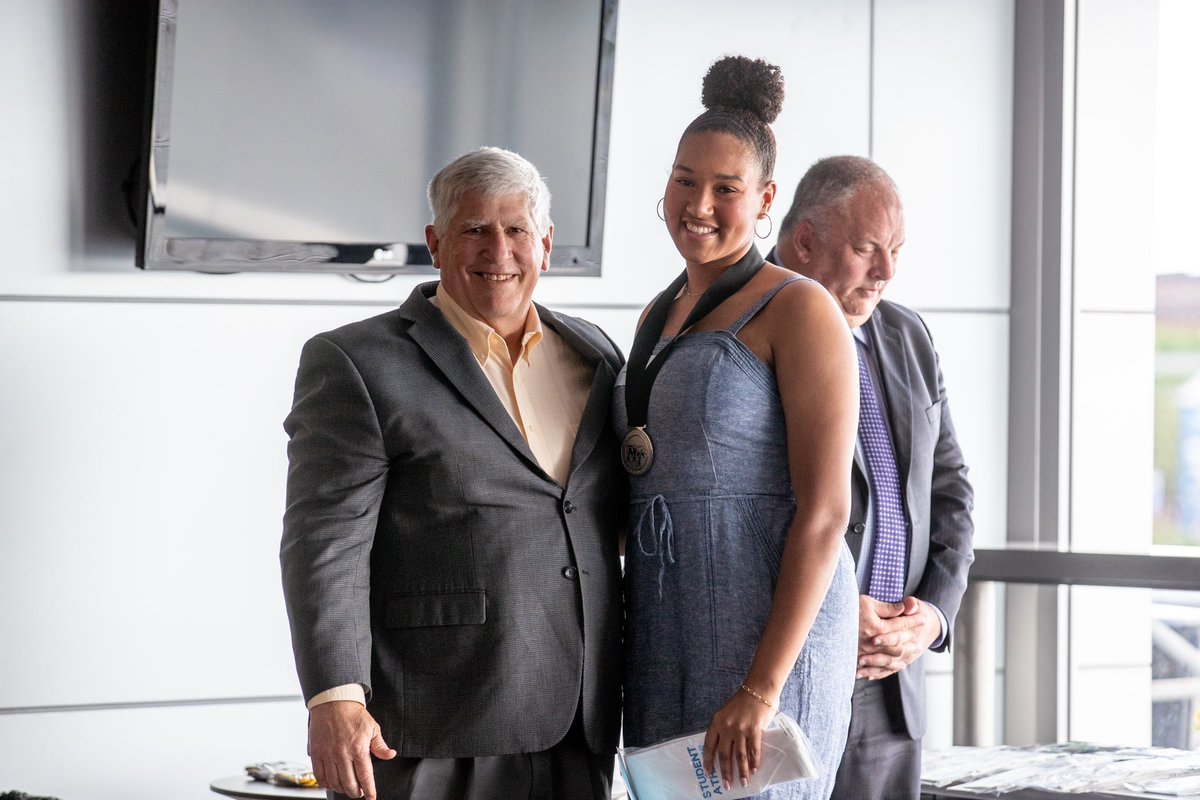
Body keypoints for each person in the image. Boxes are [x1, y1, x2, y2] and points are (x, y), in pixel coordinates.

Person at [280, 146, 627, 800]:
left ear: (546, 244)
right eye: (474, 229)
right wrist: (333, 696)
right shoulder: (356, 362)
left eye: (516, 229)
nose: (498, 249)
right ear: (436, 243)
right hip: (430, 723)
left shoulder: (599, 355)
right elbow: (325, 542)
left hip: (580, 720)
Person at [616, 56, 859, 799]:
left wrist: (762, 689)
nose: (700, 203)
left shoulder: (800, 306)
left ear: (765, 202)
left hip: (768, 638)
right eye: (686, 179)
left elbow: (825, 514)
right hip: (668, 628)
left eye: (726, 189)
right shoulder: (660, 313)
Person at [767, 155, 976, 800]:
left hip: (895, 688)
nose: (887, 272)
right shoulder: (745, 331)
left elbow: (951, 492)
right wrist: (831, 611)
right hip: (789, 681)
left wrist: (932, 617)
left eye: (896, 251)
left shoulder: (907, 333)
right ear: (804, 240)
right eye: (866, 250)